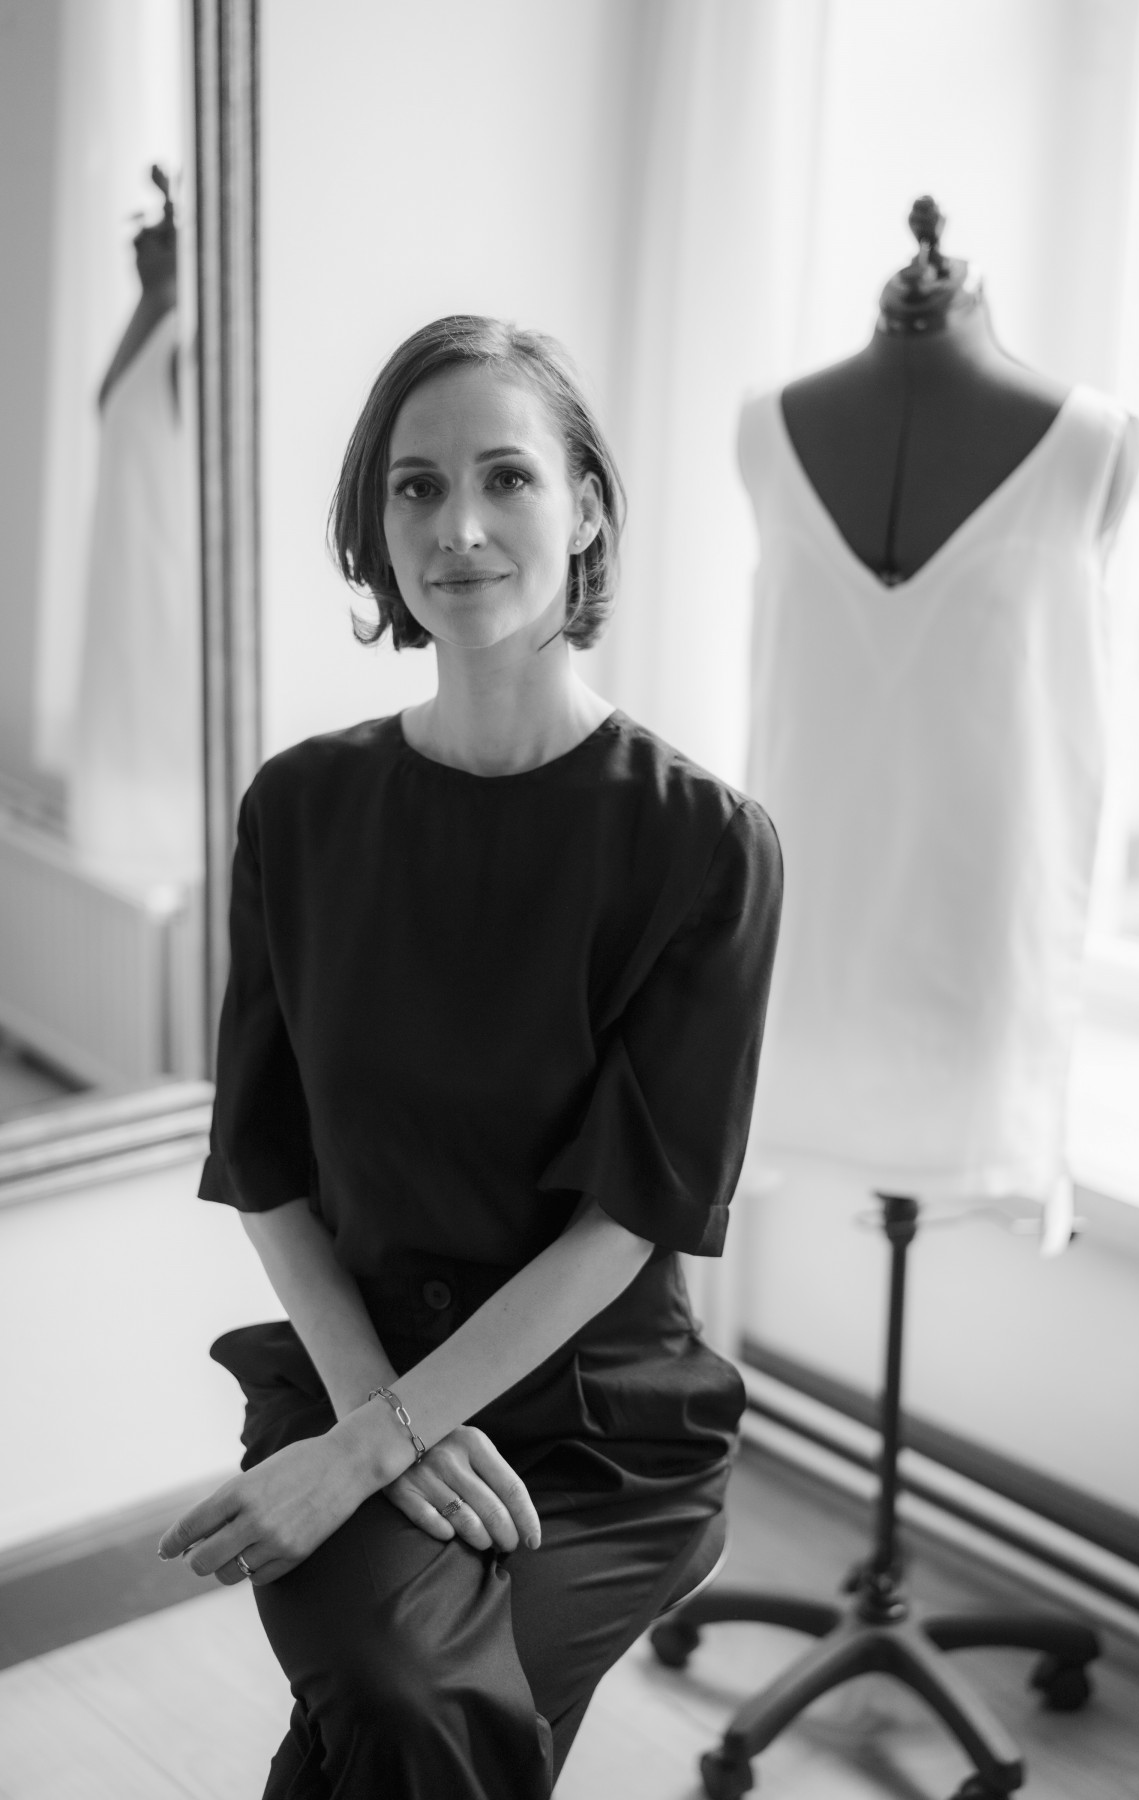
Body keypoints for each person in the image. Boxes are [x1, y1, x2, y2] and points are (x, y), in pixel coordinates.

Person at [157, 315, 783, 1798]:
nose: (459, 527)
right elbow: (265, 1160)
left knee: (398, 1722)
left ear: (587, 510)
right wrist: (376, 1421)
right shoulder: (299, 811)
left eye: (507, 477)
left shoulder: (703, 845)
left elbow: (630, 1216)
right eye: (416, 487)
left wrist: (375, 1446)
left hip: (598, 1423)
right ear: (376, 530)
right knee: (409, 1710)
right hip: (349, 1362)